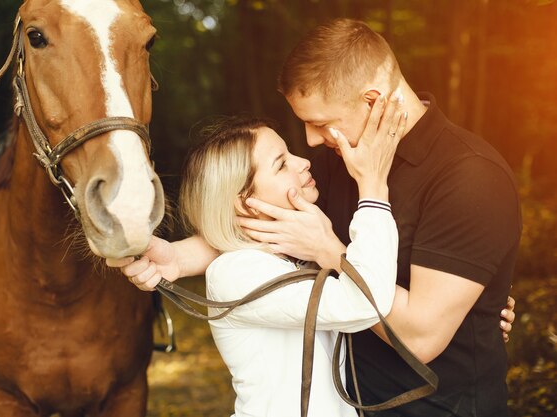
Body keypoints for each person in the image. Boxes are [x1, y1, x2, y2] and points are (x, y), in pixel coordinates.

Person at [109, 18, 519, 416]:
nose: (309, 141)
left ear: (373, 102)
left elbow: (419, 337)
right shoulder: (334, 163)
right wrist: (179, 258)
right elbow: (261, 221)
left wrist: (329, 250)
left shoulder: (470, 177)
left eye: (320, 123)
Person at [157, 100, 406, 416]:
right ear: (248, 203)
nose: (302, 162)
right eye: (281, 164)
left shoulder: (290, 254)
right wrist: (372, 186)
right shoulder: (235, 272)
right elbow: (367, 303)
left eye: (290, 153)